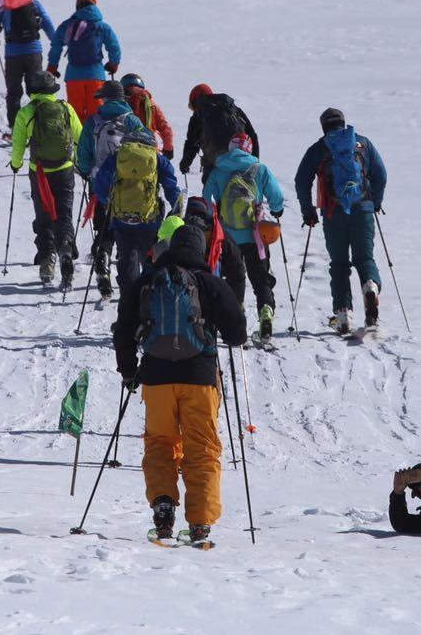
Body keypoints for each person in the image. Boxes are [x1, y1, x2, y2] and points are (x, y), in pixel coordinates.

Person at [113, 223, 248, 544]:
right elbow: (237, 334)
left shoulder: (148, 280)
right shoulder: (210, 283)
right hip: (200, 377)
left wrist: (128, 371)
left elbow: (122, 329)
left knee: (160, 443)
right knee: (201, 449)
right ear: (201, 251)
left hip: (157, 378)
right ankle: (200, 522)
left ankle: (162, 505)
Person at [294, 107, 389, 335]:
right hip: (363, 208)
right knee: (365, 258)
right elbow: (381, 174)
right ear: (344, 122)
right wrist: (374, 202)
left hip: (333, 212)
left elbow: (301, 180)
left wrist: (308, 211)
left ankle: (343, 313)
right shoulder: (362, 143)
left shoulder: (319, 148)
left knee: (339, 264)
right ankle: (371, 286)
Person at [203, 133, 284, 340]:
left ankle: (236, 314)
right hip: (256, 235)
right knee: (260, 278)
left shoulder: (219, 170)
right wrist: (277, 210)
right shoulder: (260, 169)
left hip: (227, 237)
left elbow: (206, 199)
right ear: (249, 149)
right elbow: (277, 199)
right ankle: (266, 310)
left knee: (233, 278)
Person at [9, 71, 84, 288]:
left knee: (43, 217)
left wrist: (16, 164)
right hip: (65, 170)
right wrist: (80, 163)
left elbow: (18, 142)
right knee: (64, 215)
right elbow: (80, 138)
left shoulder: (27, 112)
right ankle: (66, 251)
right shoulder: (66, 108)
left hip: (40, 171)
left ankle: (47, 259)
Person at [77, 81, 146, 300]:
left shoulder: (94, 121)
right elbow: (148, 149)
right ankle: (126, 268)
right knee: (124, 225)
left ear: (105, 98)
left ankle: (102, 256)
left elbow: (84, 153)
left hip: (99, 183)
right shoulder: (132, 121)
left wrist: (88, 172)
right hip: (129, 183)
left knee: (104, 225)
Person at [92, 129, 182, 294]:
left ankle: (130, 297)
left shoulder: (118, 157)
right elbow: (171, 187)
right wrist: (177, 210)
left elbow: (100, 184)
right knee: (151, 259)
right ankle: (150, 296)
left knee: (127, 260)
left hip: (121, 220)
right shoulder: (157, 159)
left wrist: (108, 202)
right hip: (150, 220)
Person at [0, 0, 56, 131]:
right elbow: (47, 21)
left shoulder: (4, 5)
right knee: (37, 90)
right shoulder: (33, 1)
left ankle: (15, 129)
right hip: (34, 51)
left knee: (14, 92)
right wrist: (55, 41)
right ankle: (39, 127)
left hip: (13, 55)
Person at [47, 0, 121, 124]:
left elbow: (56, 46)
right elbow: (114, 47)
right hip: (96, 76)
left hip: (73, 77)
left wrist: (52, 67)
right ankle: (97, 142)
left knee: (75, 116)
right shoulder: (102, 26)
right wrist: (113, 64)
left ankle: (78, 143)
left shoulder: (68, 25)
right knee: (98, 115)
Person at [180, 85, 260, 184]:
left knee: (212, 193)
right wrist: (254, 161)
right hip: (241, 161)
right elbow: (252, 136)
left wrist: (185, 164)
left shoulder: (199, 115)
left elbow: (191, 144)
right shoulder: (233, 109)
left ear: (196, 100)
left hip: (214, 165)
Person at [120, 74, 173, 158]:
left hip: (124, 151)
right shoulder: (151, 105)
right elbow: (165, 129)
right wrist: (168, 149)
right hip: (149, 151)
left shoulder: (120, 103)